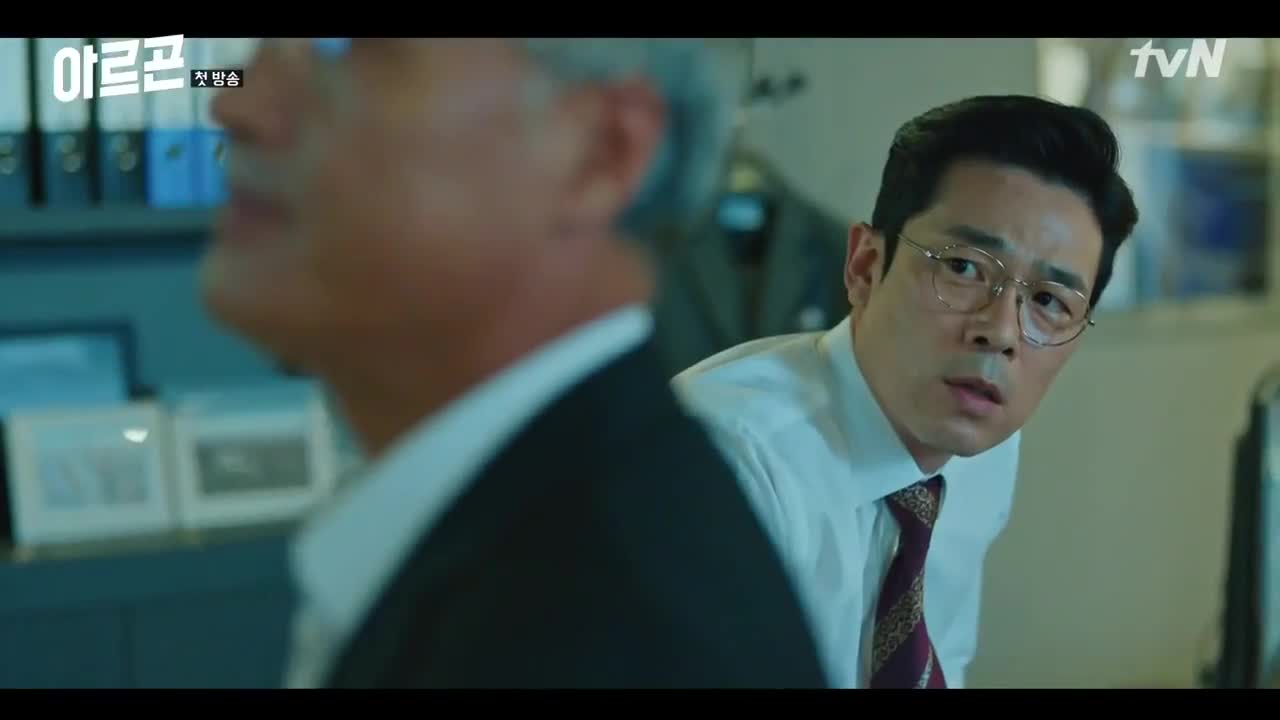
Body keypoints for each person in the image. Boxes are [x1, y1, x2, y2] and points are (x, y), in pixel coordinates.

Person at [200, 38, 827, 689]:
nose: (234, 104)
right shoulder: (529, 550)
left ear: (600, 152)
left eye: (347, 49)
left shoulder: (613, 630)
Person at [672, 95, 1140, 689]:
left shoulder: (982, 447)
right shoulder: (728, 463)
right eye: (964, 268)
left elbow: (946, 654)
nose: (1000, 332)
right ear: (865, 266)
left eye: (1049, 301)